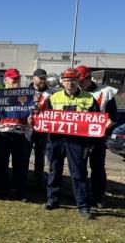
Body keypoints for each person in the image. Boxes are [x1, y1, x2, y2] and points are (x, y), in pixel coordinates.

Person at [45, 68, 99, 220]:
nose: (70, 83)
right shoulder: (53, 98)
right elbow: (45, 118)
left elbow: (96, 121)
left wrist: (90, 143)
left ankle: (83, 205)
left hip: (77, 142)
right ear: (62, 81)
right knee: (54, 170)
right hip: (56, 140)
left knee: (79, 173)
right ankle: (52, 200)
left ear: (78, 81)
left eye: (73, 80)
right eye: (67, 80)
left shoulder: (89, 98)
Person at [76, 65, 118, 208]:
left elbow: (113, 116)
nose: (79, 85)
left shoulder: (105, 92)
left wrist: (105, 126)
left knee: (98, 167)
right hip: (79, 137)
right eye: (77, 82)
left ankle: (98, 196)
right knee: (79, 167)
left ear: (88, 78)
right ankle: (82, 195)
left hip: (97, 137)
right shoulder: (74, 93)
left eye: (81, 81)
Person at [0, 68, 31, 202]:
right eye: (13, 79)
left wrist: (32, 115)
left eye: (17, 78)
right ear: (6, 80)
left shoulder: (26, 94)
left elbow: (30, 114)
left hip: (19, 133)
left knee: (19, 165)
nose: (16, 81)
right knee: (1, 164)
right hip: (3, 133)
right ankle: (1, 190)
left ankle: (20, 192)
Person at [28, 68, 54, 187]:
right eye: (41, 78)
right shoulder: (25, 91)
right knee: (25, 154)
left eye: (45, 78)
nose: (43, 80)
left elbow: (54, 111)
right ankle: (23, 177)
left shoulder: (51, 93)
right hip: (27, 127)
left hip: (43, 129)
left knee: (40, 155)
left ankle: (38, 179)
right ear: (34, 78)